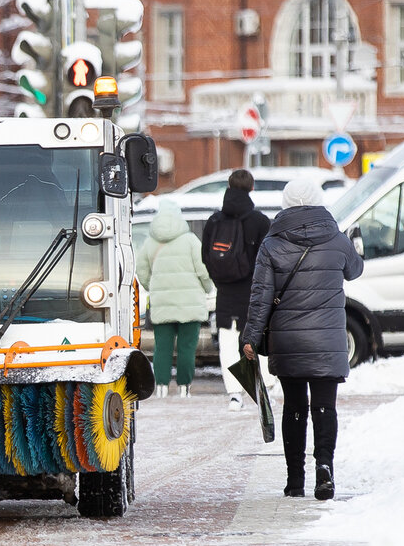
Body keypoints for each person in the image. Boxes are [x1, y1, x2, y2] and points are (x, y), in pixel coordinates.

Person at [242, 177, 363, 500]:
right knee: (325, 406)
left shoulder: (272, 244)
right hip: (328, 342)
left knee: (294, 408)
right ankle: (325, 468)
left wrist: (251, 337)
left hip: (288, 342)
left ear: (285, 203)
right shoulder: (337, 239)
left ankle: (295, 480)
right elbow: (355, 270)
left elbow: (260, 297)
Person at [201, 170, 272, 412]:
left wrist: (221, 280)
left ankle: (234, 394)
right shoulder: (260, 221)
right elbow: (268, 259)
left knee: (228, 342)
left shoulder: (214, 221)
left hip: (225, 292)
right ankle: (266, 387)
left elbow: (206, 257)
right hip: (253, 292)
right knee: (257, 338)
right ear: (251, 188)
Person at [135, 198, 214, 399]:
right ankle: (184, 388)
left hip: (162, 304)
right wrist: (207, 288)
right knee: (187, 348)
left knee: (162, 347)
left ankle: (161, 386)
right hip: (190, 304)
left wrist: (152, 288)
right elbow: (203, 270)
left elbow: (142, 272)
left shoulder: (149, 243)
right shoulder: (190, 241)